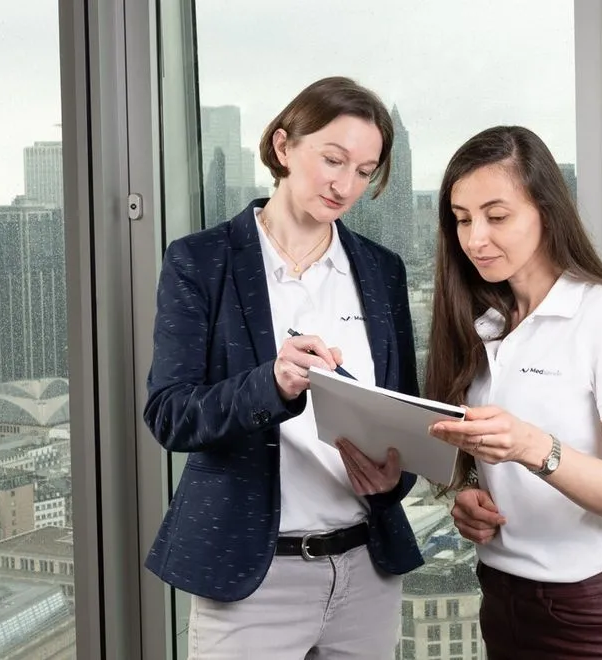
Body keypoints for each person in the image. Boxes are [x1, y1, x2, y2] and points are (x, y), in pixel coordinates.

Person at [143, 76, 423, 660]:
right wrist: (270, 383)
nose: (346, 185)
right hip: (251, 575)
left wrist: (393, 477)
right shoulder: (201, 261)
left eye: (366, 171)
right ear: (282, 147)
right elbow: (170, 415)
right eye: (333, 159)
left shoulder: (382, 271)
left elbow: (403, 416)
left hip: (367, 571)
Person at [426, 125, 602, 659]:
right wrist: (468, 499)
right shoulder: (481, 325)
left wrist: (533, 447)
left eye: (497, 216)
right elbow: (481, 467)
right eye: (462, 220)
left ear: (547, 211)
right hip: (501, 596)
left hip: (594, 611)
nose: (475, 239)